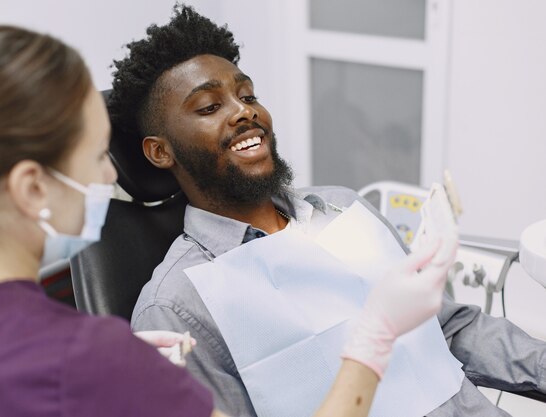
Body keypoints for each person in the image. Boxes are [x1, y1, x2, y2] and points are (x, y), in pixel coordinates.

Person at [0, 24, 454, 417]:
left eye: (247, 95)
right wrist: (375, 335)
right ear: (32, 187)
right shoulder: (131, 331)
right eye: (94, 156)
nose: (109, 175)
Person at [111, 5, 546, 417]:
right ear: (160, 151)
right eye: (209, 107)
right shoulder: (174, 307)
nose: (245, 111)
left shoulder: (343, 207)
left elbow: (450, 329)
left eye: (248, 95)